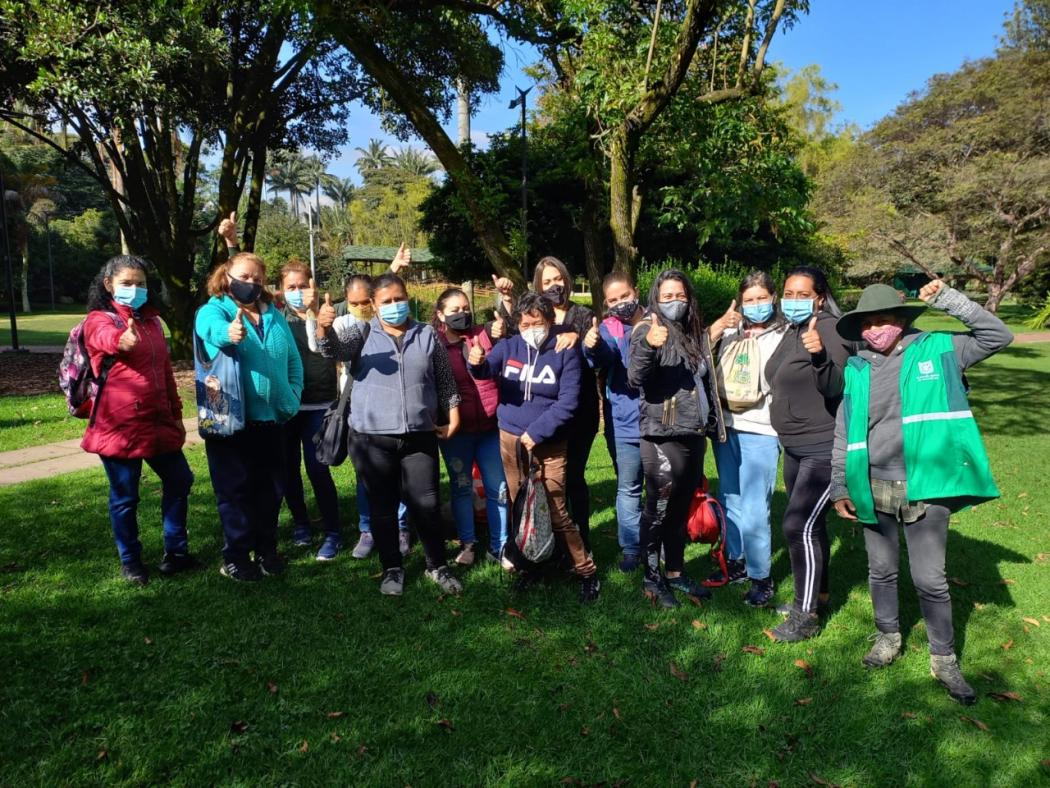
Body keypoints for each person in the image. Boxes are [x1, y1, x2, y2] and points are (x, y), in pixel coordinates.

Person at [830, 281, 1011, 704]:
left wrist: (949, 300)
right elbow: (844, 432)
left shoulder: (940, 350)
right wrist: (841, 484)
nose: (877, 329)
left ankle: (943, 658)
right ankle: (888, 636)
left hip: (928, 483)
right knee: (881, 571)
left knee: (930, 579)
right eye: (869, 323)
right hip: (871, 483)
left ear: (901, 320)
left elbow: (997, 336)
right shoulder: (856, 370)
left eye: (885, 320)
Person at [316, 272, 463, 597]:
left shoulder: (426, 334)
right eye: (387, 301)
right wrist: (324, 328)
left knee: (426, 504)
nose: (395, 306)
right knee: (382, 508)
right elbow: (334, 351)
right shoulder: (362, 333)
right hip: (371, 439)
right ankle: (392, 568)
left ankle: (437, 565)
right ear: (373, 304)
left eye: (400, 299)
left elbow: (444, 378)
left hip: (419, 436)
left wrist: (453, 412)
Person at [468, 292, 601, 602]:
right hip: (511, 439)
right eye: (525, 323)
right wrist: (476, 363)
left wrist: (537, 432)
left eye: (537, 322)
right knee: (520, 506)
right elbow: (488, 370)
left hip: (549, 443)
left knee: (555, 509)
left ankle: (586, 570)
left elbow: (569, 403)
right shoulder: (511, 346)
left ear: (549, 321)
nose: (531, 329)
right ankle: (531, 564)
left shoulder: (564, 349)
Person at [80, 255, 196, 585]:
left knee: (180, 480)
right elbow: (103, 338)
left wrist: (176, 413)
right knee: (125, 496)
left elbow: (164, 371)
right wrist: (120, 341)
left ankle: (176, 552)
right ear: (108, 285)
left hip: (157, 421)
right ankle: (130, 561)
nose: (135, 289)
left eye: (140, 283)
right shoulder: (99, 320)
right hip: (119, 425)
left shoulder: (151, 322)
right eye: (127, 283)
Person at [195, 250, 303, 581]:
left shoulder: (274, 315)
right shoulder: (213, 310)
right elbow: (210, 330)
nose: (251, 283)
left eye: (257, 279)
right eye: (243, 277)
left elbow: (294, 361)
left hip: (272, 421)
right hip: (231, 424)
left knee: (270, 489)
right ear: (226, 277)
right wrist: (229, 334)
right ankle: (236, 555)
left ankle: (267, 549)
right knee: (235, 491)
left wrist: (293, 396)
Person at [627, 269, 725, 608]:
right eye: (667, 296)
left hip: (692, 432)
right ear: (656, 298)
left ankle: (675, 572)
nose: (674, 302)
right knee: (658, 509)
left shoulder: (688, 332)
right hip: (661, 435)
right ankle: (651, 578)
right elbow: (635, 377)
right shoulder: (647, 329)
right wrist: (648, 347)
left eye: (680, 296)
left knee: (680, 507)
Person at [764, 265, 850, 641]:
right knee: (811, 526)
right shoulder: (794, 329)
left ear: (819, 296)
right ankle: (820, 593)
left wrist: (818, 358)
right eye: (789, 293)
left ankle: (806, 614)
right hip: (794, 447)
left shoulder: (828, 328)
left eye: (803, 294)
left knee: (797, 525)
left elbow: (835, 386)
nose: (794, 300)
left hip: (821, 447)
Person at [707, 271, 787, 607]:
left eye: (760, 298)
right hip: (726, 426)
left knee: (755, 507)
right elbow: (701, 357)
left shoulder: (785, 335)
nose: (755, 305)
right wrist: (717, 327)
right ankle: (737, 561)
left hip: (762, 429)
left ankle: (761, 577)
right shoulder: (730, 332)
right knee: (731, 498)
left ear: (773, 298)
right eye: (748, 300)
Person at [432, 287, 510, 566]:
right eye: (454, 310)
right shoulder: (435, 344)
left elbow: (510, 330)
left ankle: (500, 546)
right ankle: (468, 543)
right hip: (456, 432)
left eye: (465, 308)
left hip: (490, 428)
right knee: (462, 487)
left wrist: (507, 305)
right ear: (441, 314)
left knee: (497, 487)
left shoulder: (485, 335)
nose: (462, 314)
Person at [338, 273, 412, 559]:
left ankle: (401, 526)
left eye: (364, 303)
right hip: (362, 414)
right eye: (353, 303)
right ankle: (367, 529)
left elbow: (392, 286)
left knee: (402, 477)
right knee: (366, 476)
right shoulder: (351, 328)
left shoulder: (402, 328)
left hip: (397, 414)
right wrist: (320, 326)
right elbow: (330, 348)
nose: (360, 308)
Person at [532, 256, 600, 550]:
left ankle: (580, 541)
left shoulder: (584, 315)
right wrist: (507, 301)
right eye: (547, 281)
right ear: (538, 286)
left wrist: (579, 335)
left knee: (574, 478)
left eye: (558, 279)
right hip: (545, 413)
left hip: (581, 412)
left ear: (567, 280)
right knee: (548, 480)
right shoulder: (536, 315)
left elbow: (594, 353)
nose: (554, 286)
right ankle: (551, 540)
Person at [278, 260, 343, 560]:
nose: (297, 291)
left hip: (320, 402)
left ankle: (333, 532)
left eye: (302, 285)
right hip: (287, 406)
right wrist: (230, 243)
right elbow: (236, 283)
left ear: (313, 286)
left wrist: (314, 314)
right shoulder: (273, 318)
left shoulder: (329, 313)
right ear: (280, 291)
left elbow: (368, 306)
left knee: (318, 469)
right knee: (288, 469)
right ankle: (301, 524)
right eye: (290, 287)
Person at [583, 271, 644, 571]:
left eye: (625, 296)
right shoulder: (608, 329)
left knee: (664, 487)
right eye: (613, 300)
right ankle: (631, 548)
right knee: (629, 486)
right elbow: (602, 357)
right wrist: (591, 345)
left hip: (663, 421)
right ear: (606, 304)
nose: (621, 303)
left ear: (636, 291)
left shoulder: (657, 320)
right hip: (625, 422)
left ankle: (663, 540)